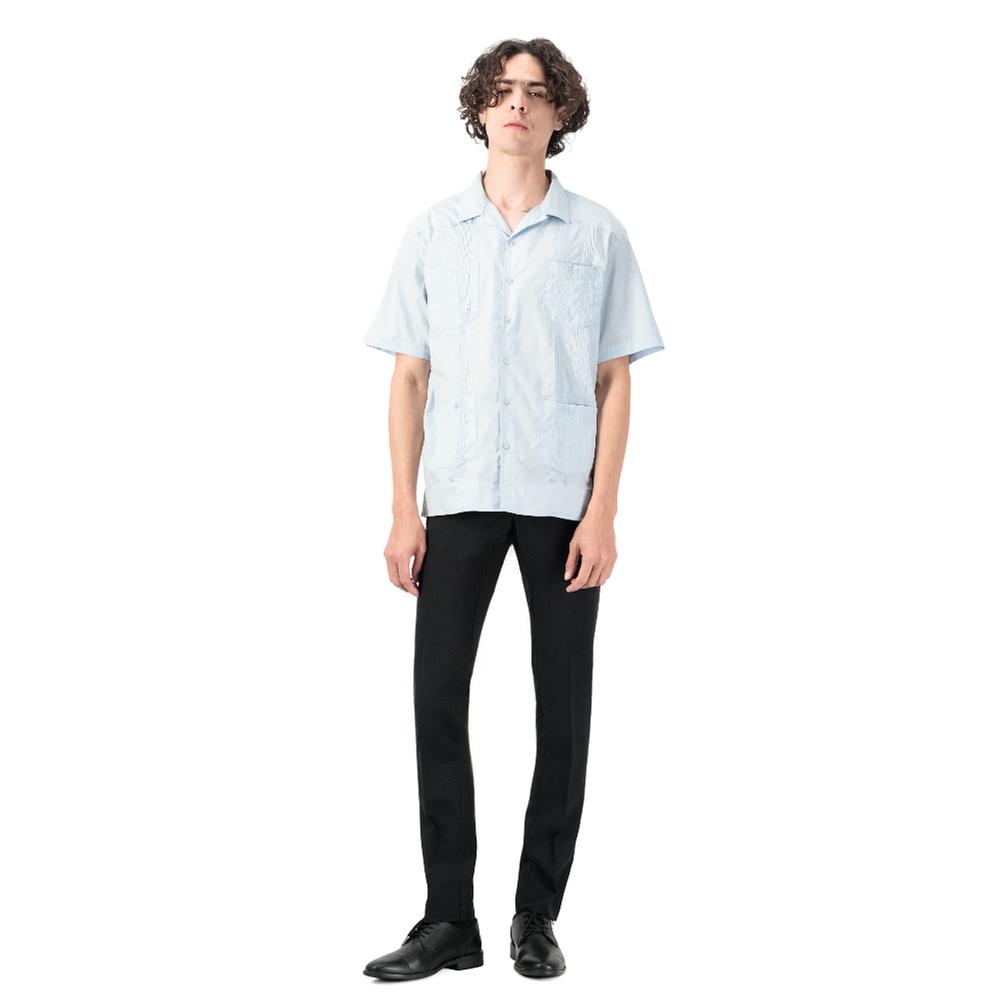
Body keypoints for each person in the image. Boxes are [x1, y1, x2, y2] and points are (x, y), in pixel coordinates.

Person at [361, 38, 664, 981]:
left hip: (561, 501)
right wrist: (403, 510)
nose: (517, 105)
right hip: (455, 497)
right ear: (480, 110)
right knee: (437, 701)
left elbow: (616, 380)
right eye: (501, 91)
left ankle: (536, 915)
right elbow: (409, 379)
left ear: (561, 112)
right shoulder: (433, 232)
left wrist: (603, 510)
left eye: (536, 92)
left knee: (561, 708)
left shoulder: (598, 235)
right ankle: (448, 918)